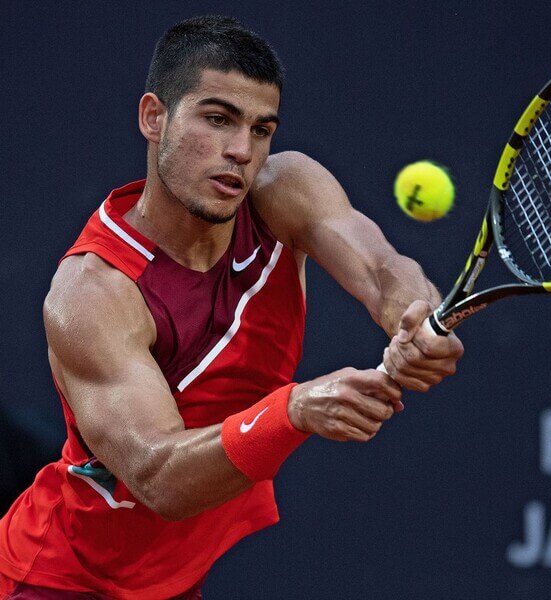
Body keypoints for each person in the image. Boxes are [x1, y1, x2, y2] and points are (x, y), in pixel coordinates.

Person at [0, 15, 463, 599]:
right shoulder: (94, 293)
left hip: (172, 582)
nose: (242, 151)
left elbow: (382, 271)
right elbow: (159, 477)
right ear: (154, 118)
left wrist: (416, 316)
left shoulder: (284, 191)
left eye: (261, 128)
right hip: (62, 580)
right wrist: (292, 411)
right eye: (217, 119)